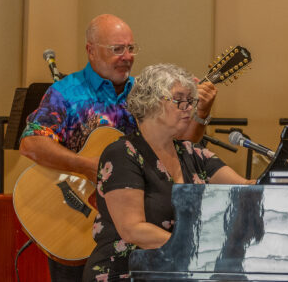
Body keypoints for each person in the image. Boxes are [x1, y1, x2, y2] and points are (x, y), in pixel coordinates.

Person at [19, 15, 217, 281]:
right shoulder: (65, 92)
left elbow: (182, 146)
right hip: (76, 218)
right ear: (91, 49)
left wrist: (200, 111)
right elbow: (31, 143)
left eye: (131, 48)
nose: (127, 56)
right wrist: (91, 166)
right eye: (117, 49)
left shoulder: (145, 94)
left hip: (138, 233)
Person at [82, 63, 255, 281]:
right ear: (151, 102)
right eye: (179, 100)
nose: (188, 107)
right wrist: (199, 251)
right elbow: (133, 230)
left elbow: (247, 188)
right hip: (124, 271)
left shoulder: (193, 153)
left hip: (176, 271)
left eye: (190, 101)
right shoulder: (122, 154)